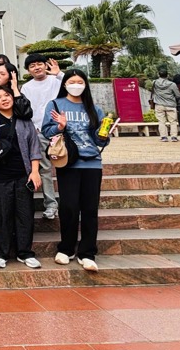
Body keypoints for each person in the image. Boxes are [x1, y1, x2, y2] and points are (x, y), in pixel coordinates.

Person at [42, 69, 110, 272]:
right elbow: (47, 131)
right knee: (69, 207)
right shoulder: (55, 105)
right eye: (72, 81)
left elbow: (98, 139)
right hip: (68, 162)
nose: (76, 84)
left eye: (80, 81)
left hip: (92, 163)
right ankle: (66, 248)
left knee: (90, 209)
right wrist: (60, 126)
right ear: (64, 84)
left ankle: (87, 252)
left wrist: (105, 135)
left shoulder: (94, 109)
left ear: (86, 84)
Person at [0, 85, 43, 269]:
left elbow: (34, 146)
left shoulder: (24, 119)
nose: (4, 99)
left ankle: (25, 252)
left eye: (7, 95)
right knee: (1, 214)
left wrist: (34, 171)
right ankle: (1, 253)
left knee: (25, 214)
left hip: (22, 174)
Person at [21, 54, 64, 220]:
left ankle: (67, 203)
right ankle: (51, 205)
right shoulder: (27, 87)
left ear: (45, 65)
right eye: (32, 66)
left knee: (65, 167)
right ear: (28, 70)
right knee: (44, 169)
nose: (37, 67)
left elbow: (74, 85)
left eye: (39, 64)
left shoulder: (56, 81)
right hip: (38, 132)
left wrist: (59, 73)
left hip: (58, 130)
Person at [152, 70, 180, 141]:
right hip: (170, 104)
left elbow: (153, 92)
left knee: (161, 121)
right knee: (173, 121)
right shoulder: (172, 84)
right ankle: (174, 137)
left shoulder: (155, 82)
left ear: (158, 75)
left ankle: (163, 137)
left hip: (159, 104)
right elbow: (177, 95)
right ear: (167, 75)